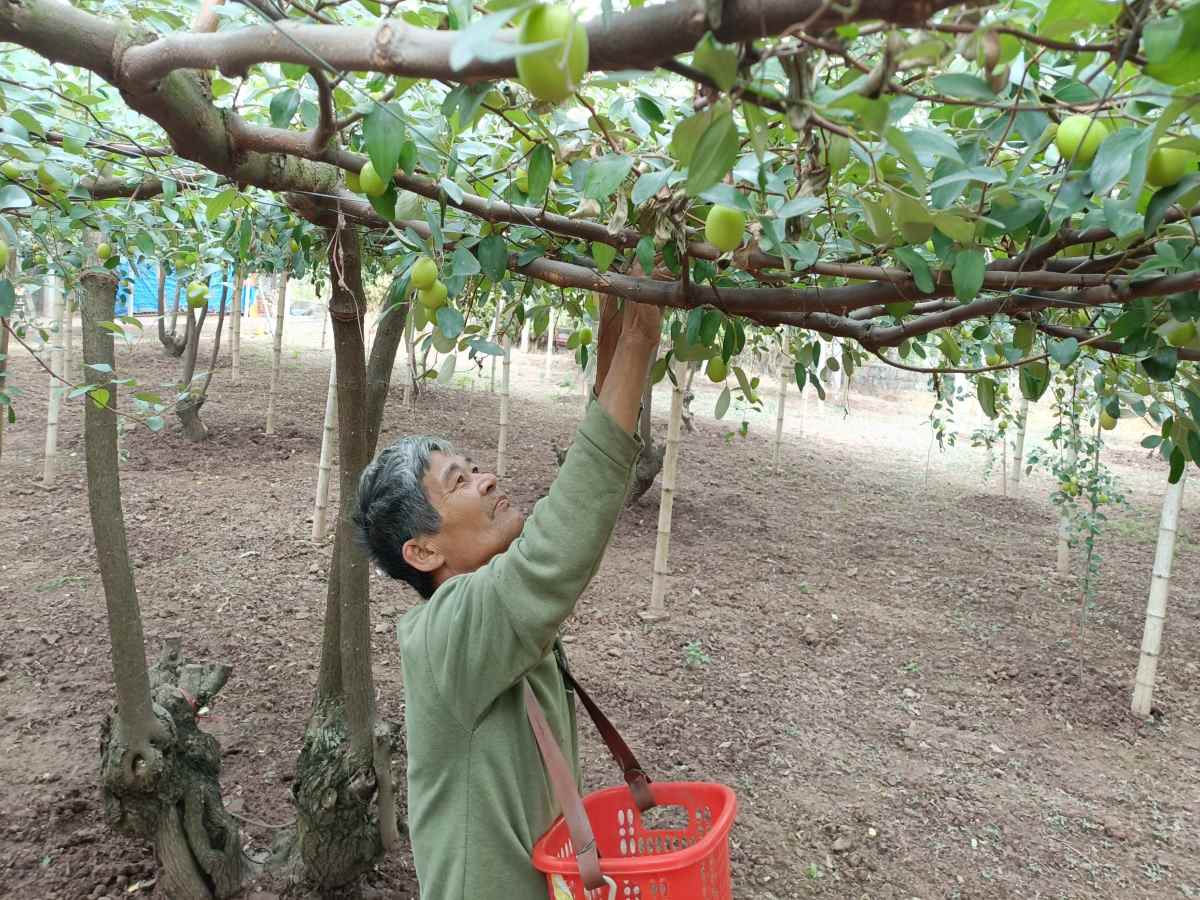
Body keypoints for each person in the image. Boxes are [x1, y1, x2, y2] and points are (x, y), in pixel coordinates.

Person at [356, 295, 662, 899]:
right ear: (422, 551)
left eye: (473, 468)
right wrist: (640, 343)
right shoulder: (447, 633)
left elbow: (568, 514)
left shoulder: (486, 619)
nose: (486, 478)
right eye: (459, 482)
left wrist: (615, 319)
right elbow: (558, 547)